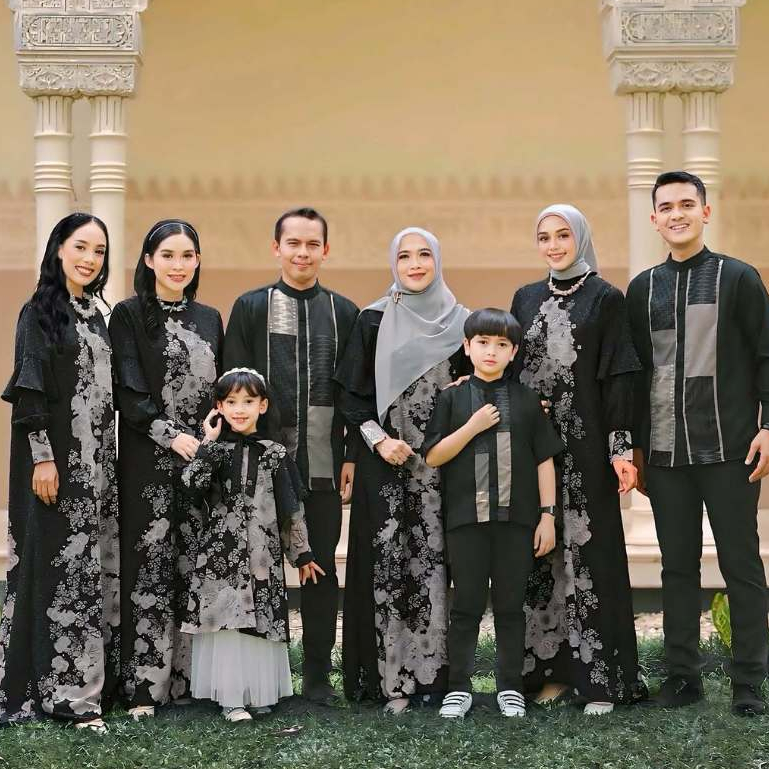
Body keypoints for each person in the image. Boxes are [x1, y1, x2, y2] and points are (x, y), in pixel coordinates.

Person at [627, 170, 769, 716]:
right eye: (666, 207)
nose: (677, 214)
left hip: (732, 450)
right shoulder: (642, 289)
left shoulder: (739, 278)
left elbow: (766, 355)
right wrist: (636, 447)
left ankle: (749, 681)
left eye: (687, 204)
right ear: (654, 218)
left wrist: (768, 426)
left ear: (705, 212)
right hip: (665, 456)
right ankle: (683, 677)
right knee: (677, 568)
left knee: (741, 566)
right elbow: (636, 375)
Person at [511, 204, 647, 714]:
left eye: (563, 235)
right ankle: (551, 675)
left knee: (592, 554)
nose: (553, 245)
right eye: (544, 236)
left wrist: (620, 450)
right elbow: (511, 367)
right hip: (534, 451)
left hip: (586, 449)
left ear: (581, 238)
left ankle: (600, 679)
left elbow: (619, 378)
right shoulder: (525, 297)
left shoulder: (606, 298)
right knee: (540, 555)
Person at [223, 208, 358, 703]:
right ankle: (262, 678)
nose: (303, 253)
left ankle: (318, 676)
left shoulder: (345, 313)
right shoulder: (250, 308)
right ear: (276, 248)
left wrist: (351, 456)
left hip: (323, 466)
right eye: (293, 243)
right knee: (255, 569)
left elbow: (353, 393)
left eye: (312, 244)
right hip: (258, 467)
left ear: (326, 250)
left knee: (319, 568)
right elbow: (231, 387)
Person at [334, 226, 471, 713]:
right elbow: (351, 396)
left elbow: (478, 388)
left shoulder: (463, 323)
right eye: (405, 256)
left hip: (443, 466)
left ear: (438, 261)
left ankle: (434, 679)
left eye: (424, 255)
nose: (415, 264)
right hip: (385, 463)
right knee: (388, 565)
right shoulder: (373, 320)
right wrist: (378, 440)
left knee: (435, 565)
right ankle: (390, 681)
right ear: (393, 263)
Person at [0, 213, 120, 732]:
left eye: (99, 250)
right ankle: (66, 695)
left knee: (90, 570)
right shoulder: (39, 312)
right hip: (56, 464)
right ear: (58, 249)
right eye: (81, 247)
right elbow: (30, 391)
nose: (90, 258)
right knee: (59, 570)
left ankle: (91, 683)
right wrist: (43, 458)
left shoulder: (96, 314)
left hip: (98, 465)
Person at [423, 308, 562, 719]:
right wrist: (473, 426)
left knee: (510, 606)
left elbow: (544, 460)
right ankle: (458, 689)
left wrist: (548, 516)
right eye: (482, 342)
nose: (491, 351)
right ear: (467, 347)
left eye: (502, 345)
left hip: (516, 521)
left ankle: (510, 687)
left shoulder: (526, 400)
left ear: (513, 352)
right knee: (465, 606)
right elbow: (433, 456)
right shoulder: (451, 398)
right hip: (466, 520)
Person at [109, 219, 223, 718]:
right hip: (148, 461)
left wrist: (211, 435)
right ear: (149, 260)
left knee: (193, 564)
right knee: (149, 566)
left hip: (200, 462)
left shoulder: (210, 317)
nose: (179, 265)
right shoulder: (128, 315)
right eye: (168, 255)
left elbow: (222, 391)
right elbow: (128, 390)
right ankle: (144, 688)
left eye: (188, 256)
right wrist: (171, 435)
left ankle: (190, 681)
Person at [179, 368, 325, 721]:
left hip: (263, 553)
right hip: (220, 553)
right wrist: (207, 442)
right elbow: (190, 487)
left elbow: (290, 508)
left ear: (263, 405)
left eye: (248, 401)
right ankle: (231, 698)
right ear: (219, 407)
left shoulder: (275, 454)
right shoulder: (214, 451)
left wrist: (302, 554)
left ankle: (259, 693)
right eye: (231, 402)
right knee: (228, 622)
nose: (239, 409)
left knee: (260, 618)